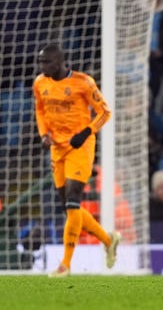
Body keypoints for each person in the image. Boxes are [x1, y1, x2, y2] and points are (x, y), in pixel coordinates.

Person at [33, 44, 120, 277]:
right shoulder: (40, 82)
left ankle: (65, 265)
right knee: (70, 209)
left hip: (80, 147)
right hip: (57, 149)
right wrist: (43, 134)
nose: (42, 67)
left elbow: (105, 112)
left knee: (72, 203)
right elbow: (40, 110)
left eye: (47, 62)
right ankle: (108, 240)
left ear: (60, 63)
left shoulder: (84, 82)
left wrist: (86, 132)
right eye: (41, 62)